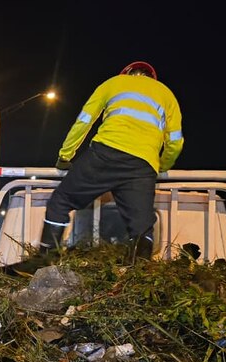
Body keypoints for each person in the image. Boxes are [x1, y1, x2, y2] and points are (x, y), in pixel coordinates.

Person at [40, 61, 184, 261]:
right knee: (142, 229)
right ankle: (140, 276)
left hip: (105, 153)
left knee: (61, 202)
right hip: (142, 166)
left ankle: (45, 259)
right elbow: (175, 142)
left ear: (126, 73)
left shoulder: (113, 83)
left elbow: (83, 122)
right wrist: (160, 166)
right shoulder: (167, 94)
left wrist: (65, 156)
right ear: (152, 78)